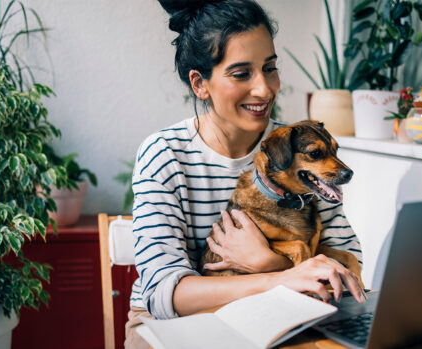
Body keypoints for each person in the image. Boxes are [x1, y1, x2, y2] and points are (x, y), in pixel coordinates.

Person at [125, 0, 365, 347]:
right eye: (241, 74)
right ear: (200, 84)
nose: (265, 89)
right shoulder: (165, 155)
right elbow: (165, 295)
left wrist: (269, 262)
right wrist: (278, 275)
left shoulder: (300, 148)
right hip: (177, 324)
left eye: (270, 68)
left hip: (280, 312)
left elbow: (345, 258)